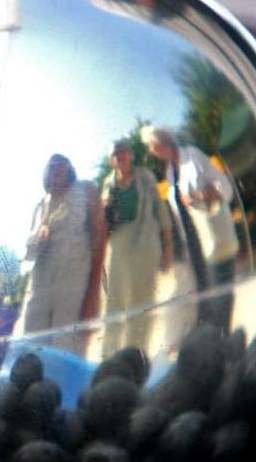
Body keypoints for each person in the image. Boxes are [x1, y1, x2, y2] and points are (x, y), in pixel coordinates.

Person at [140, 125, 238, 332]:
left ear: (161, 143)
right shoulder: (169, 171)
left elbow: (224, 187)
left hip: (213, 235)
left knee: (220, 289)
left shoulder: (193, 156)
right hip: (194, 242)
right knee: (204, 291)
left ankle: (223, 337)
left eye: (150, 145)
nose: (150, 150)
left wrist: (197, 196)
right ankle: (208, 338)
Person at [100, 140, 173, 355]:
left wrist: (167, 248)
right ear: (112, 160)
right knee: (114, 304)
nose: (120, 156)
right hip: (118, 247)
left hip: (145, 244)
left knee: (141, 303)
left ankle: (135, 356)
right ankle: (110, 356)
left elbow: (161, 211)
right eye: (115, 153)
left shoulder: (146, 177)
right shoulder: (108, 183)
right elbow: (103, 222)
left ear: (130, 154)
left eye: (123, 151)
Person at [21, 154, 106, 335]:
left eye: (61, 164)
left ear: (70, 169)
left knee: (66, 349)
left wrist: (92, 297)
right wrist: (37, 240)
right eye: (51, 166)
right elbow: (28, 255)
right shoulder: (40, 206)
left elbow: (99, 238)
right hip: (39, 293)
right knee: (33, 350)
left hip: (74, 291)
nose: (56, 168)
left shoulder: (86, 190)